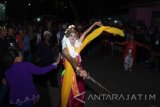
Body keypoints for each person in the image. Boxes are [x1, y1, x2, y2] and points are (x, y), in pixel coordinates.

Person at [59, 21, 102, 107]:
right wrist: (79, 69)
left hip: (79, 77)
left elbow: (85, 33)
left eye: (75, 36)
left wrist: (94, 24)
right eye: (71, 35)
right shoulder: (65, 49)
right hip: (69, 77)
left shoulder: (77, 46)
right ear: (67, 37)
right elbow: (71, 59)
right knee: (70, 99)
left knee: (79, 97)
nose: (73, 37)